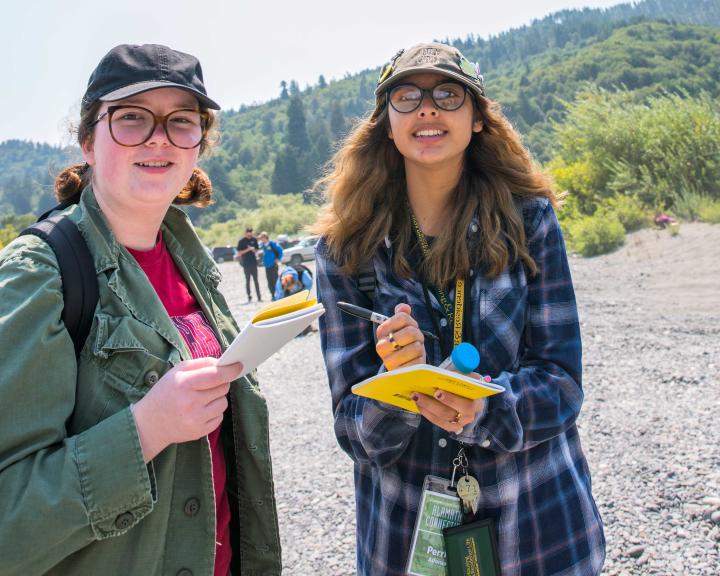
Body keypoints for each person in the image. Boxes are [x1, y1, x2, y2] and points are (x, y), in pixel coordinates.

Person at [311, 42, 605, 575]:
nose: (428, 108)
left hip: (539, 526)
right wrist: (394, 385)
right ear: (386, 125)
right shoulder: (344, 250)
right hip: (405, 538)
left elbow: (562, 384)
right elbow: (352, 432)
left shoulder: (529, 222)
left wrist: (486, 407)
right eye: (407, 96)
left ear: (476, 120)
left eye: (448, 94)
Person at [0, 44, 281, 575]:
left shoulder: (191, 263)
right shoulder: (40, 273)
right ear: (88, 140)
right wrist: (145, 429)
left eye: (181, 121)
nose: (158, 138)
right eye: (131, 118)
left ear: (199, 145)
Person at [236, 227, 262, 302]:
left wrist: (254, 250)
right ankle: (249, 297)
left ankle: (259, 297)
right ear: (245, 233)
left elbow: (257, 250)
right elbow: (239, 253)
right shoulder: (241, 241)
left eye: (251, 233)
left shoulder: (254, 239)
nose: (249, 235)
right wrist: (248, 249)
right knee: (248, 281)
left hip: (254, 263)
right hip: (246, 264)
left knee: (256, 281)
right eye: (248, 233)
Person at [258, 231, 283, 298]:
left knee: (275, 280)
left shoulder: (272, 244)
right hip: (267, 266)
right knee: (269, 282)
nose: (261, 240)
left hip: (273, 265)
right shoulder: (262, 246)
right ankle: (273, 295)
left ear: (265, 238)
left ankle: (278, 295)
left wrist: (278, 259)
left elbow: (280, 250)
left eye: (262, 238)